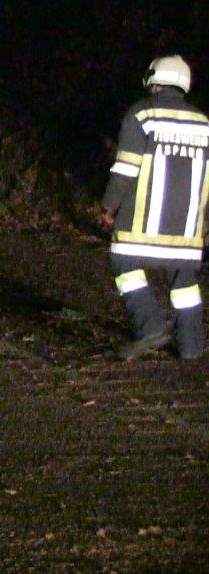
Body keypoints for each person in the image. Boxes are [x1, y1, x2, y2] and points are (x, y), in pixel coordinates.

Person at [98, 55, 208, 360]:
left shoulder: (142, 115)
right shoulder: (203, 122)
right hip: (188, 226)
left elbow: (126, 169)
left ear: (155, 79)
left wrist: (109, 206)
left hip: (142, 222)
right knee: (184, 281)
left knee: (122, 261)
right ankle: (191, 345)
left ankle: (151, 327)